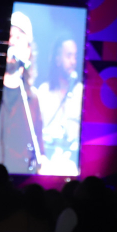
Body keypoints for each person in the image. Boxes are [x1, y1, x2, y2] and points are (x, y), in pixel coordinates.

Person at [0, 11, 44, 174]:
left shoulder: (32, 98)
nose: (12, 42)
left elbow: (39, 145)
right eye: (9, 36)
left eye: (18, 37)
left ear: (28, 50)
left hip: (22, 176)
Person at [36, 37, 82, 175]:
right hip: (47, 165)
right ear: (57, 59)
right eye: (68, 56)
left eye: (75, 57)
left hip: (73, 165)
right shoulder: (43, 92)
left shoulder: (81, 92)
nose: (73, 62)